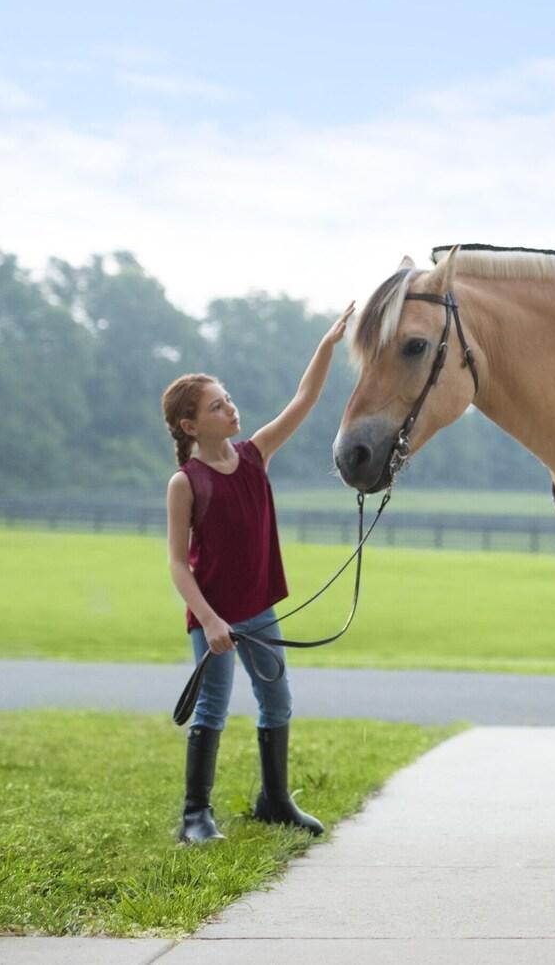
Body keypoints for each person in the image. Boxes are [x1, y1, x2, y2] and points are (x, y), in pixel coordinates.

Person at [161, 302, 353, 844]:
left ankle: (275, 800)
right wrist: (211, 621)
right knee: (212, 708)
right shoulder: (186, 482)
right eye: (217, 407)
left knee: (277, 701)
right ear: (190, 424)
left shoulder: (255, 455)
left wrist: (327, 346)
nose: (231, 410)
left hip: (259, 609)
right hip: (214, 619)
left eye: (228, 401)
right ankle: (195, 816)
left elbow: (304, 400)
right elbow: (178, 564)